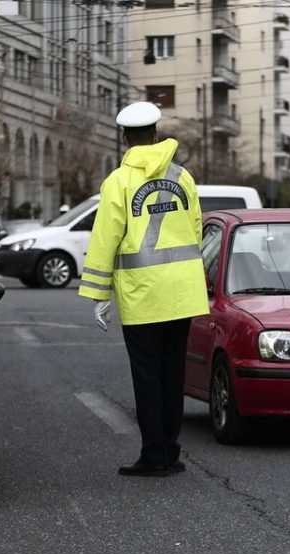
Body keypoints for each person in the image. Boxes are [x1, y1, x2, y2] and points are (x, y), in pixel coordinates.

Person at [77, 101, 209, 477]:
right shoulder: (183, 177)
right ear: (155, 133)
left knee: (147, 376)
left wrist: (99, 294)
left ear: (125, 139)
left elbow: (105, 239)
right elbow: (196, 228)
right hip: (182, 292)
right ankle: (171, 450)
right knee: (173, 373)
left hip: (142, 293)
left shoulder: (119, 181)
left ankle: (154, 456)